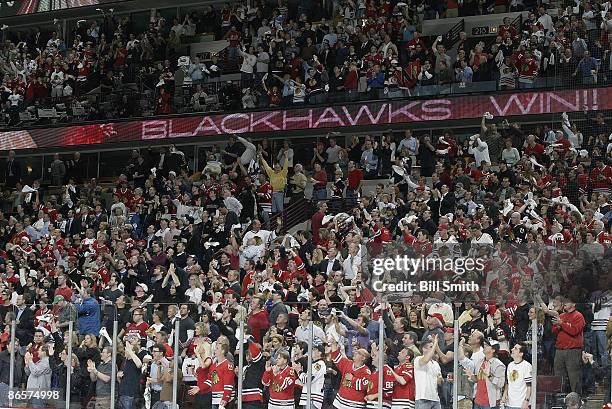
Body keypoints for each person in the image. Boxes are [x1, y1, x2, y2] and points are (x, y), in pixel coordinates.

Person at [413, 337, 442, 409]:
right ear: (424, 349)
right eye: (431, 347)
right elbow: (426, 360)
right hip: (423, 398)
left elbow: (440, 382)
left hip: (435, 399)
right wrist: (435, 342)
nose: (434, 348)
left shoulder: (436, 364)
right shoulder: (418, 359)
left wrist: (440, 379)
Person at [502, 343, 532, 409]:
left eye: (515, 348)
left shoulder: (527, 366)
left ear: (521, 353)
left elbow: (529, 386)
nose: (512, 349)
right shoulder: (510, 365)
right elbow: (508, 382)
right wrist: (505, 393)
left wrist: (526, 401)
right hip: (509, 403)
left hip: (521, 404)